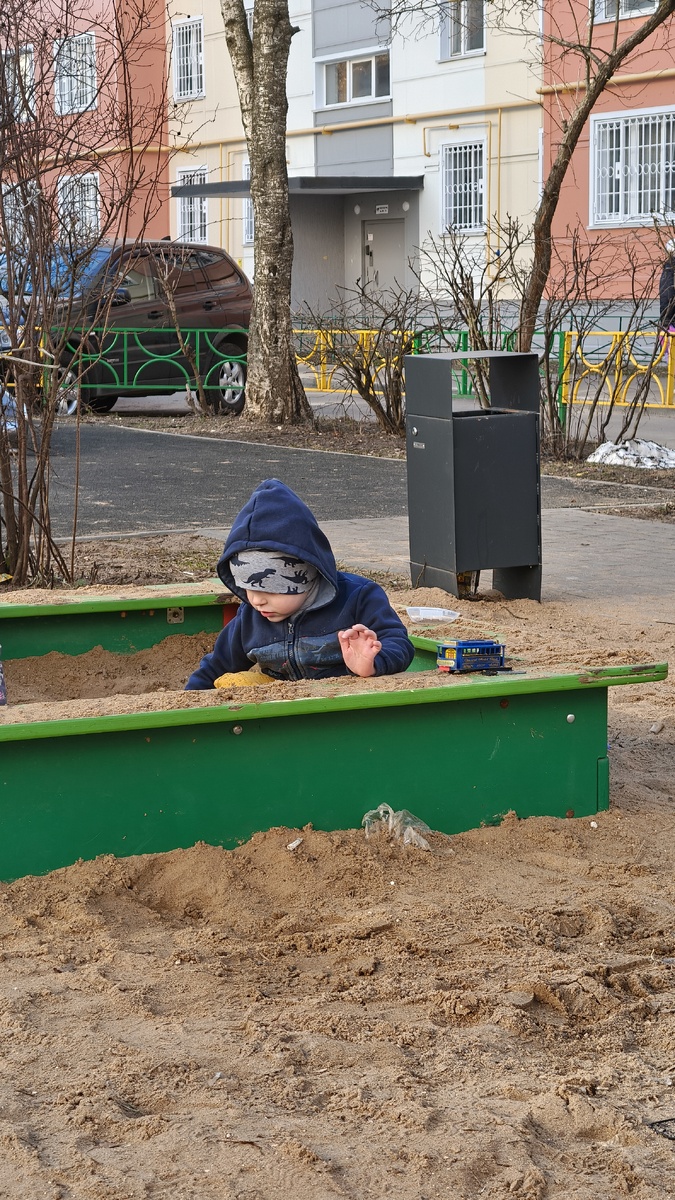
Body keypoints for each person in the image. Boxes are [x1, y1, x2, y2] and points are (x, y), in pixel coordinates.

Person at [185, 478, 414, 689]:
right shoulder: (249, 618)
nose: (256, 600)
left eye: (271, 590)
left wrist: (372, 664)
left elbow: (399, 643)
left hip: (346, 707)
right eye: (248, 587)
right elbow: (214, 668)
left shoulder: (359, 597)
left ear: (308, 572)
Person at [659, 239, 675, 332]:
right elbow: (669, 295)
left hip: (668, 321)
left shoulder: (667, 269)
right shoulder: (671, 270)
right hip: (671, 322)